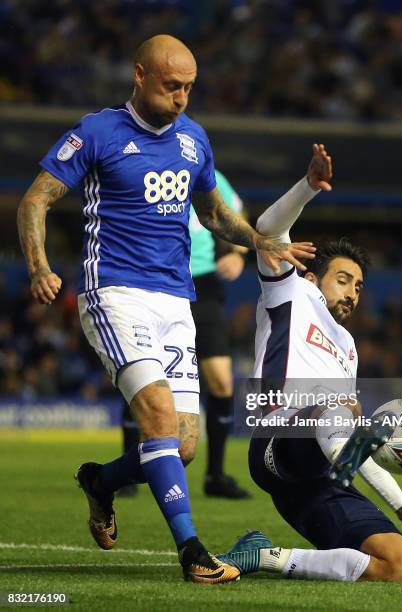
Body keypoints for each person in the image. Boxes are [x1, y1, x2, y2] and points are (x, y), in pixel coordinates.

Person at [16, 34, 314, 584]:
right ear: (140, 75)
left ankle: (101, 481)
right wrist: (40, 266)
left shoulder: (195, 140)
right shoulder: (98, 131)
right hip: (116, 293)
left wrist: (261, 242)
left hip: (178, 300)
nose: (182, 97)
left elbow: (214, 214)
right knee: (155, 417)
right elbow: (37, 197)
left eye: (189, 88)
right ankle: (193, 552)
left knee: (182, 447)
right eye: (172, 85)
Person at [217, 144, 402, 582]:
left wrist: (359, 431)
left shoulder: (348, 345)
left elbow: (340, 422)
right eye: (343, 279)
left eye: (360, 287)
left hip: (319, 475)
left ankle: (264, 555)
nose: (352, 292)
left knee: (401, 568)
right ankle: (371, 480)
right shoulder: (290, 293)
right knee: (336, 410)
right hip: (277, 440)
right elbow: (268, 227)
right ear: (311, 277)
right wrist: (309, 186)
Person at [119, 169, 250, 499]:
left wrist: (237, 252)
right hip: (152, 280)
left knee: (221, 382)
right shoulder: (144, 164)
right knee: (142, 373)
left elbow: (233, 209)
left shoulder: (205, 169)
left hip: (203, 285)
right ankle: (125, 473)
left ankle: (216, 476)